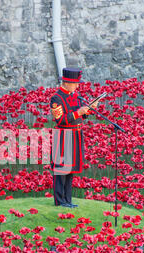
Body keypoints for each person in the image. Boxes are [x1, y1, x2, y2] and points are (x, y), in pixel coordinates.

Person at [50, 67, 98, 208]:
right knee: (61, 170)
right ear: (66, 82)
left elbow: (81, 115)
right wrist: (78, 113)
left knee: (70, 169)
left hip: (76, 134)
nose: (77, 86)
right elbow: (60, 119)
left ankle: (68, 200)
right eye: (75, 83)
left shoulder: (76, 96)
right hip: (64, 135)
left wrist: (88, 109)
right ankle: (60, 201)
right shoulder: (56, 98)